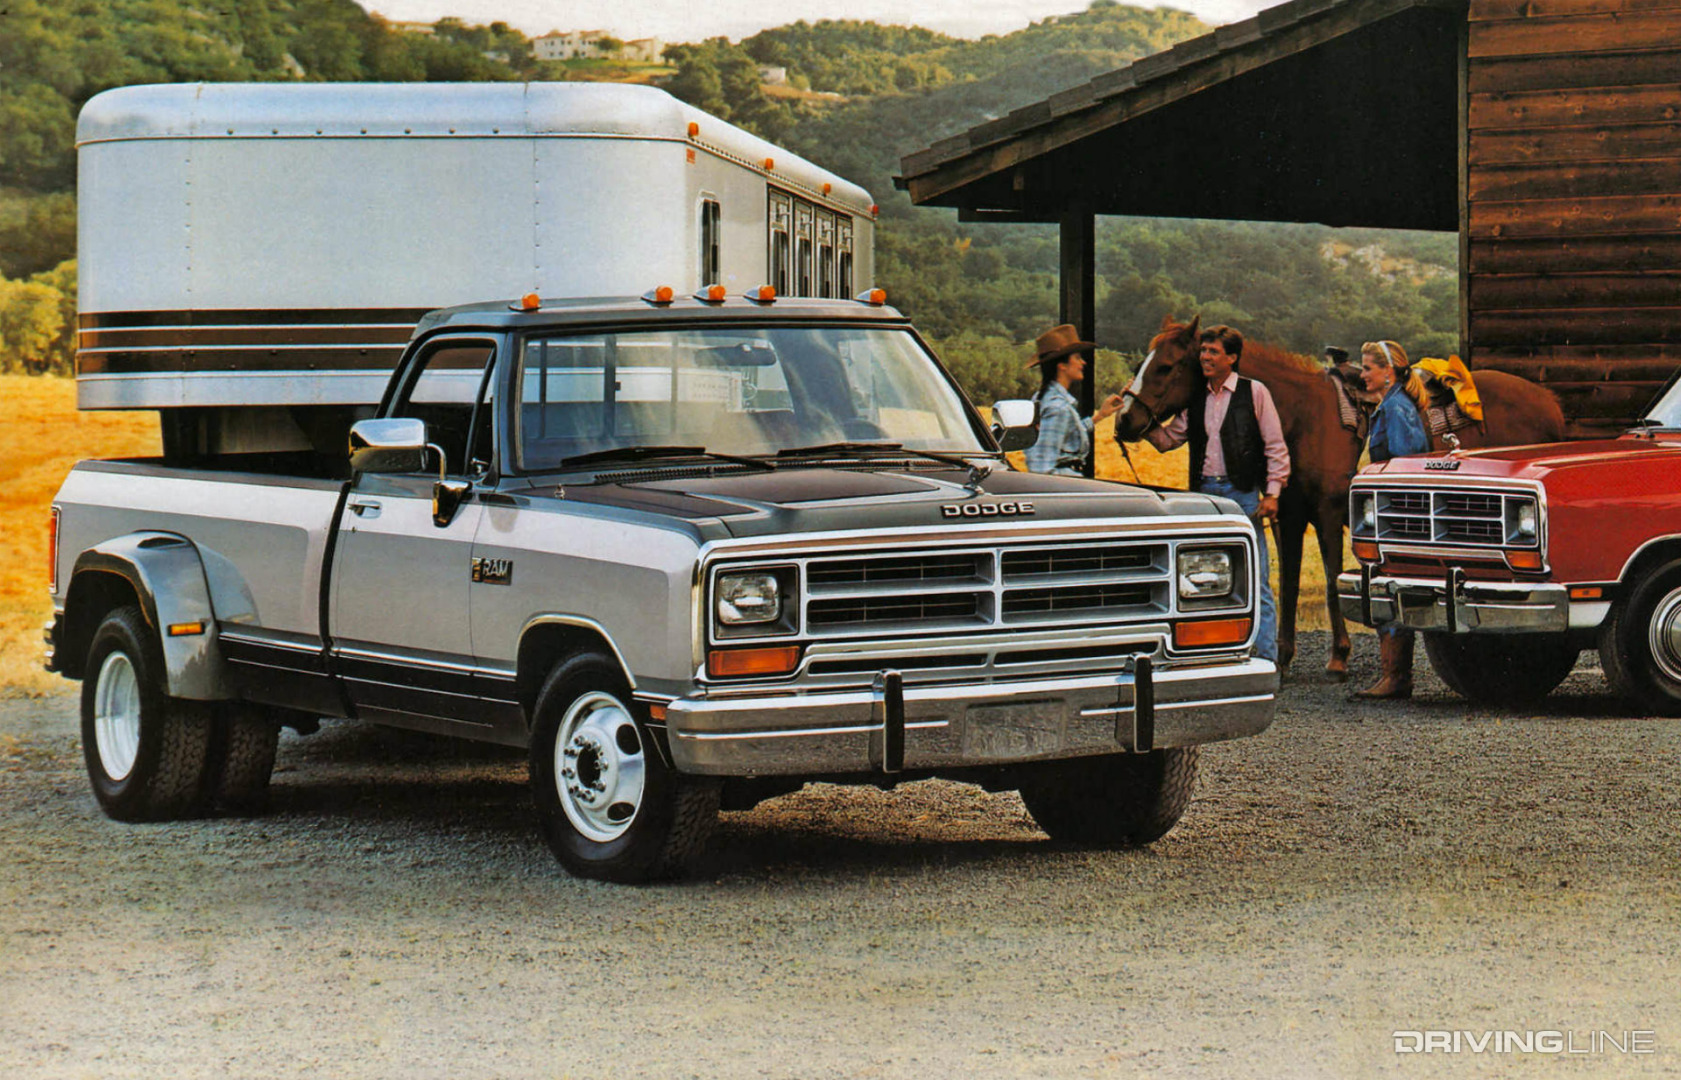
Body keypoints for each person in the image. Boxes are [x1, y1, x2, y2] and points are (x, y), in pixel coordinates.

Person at [1139, 325, 1289, 663]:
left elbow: (1275, 446)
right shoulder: (1195, 397)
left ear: (1232, 358)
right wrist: (1141, 420)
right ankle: (1214, 656)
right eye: (1203, 351)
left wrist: (1272, 493)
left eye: (1213, 352)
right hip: (1205, 495)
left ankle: (1267, 660)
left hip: (1243, 494)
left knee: (1256, 580)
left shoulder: (1255, 392)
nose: (1205, 357)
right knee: (1202, 578)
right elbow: (1169, 440)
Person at [1353, 339, 1430, 699]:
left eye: (1368, 368)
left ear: (1389, 372)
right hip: (1390, 511)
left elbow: (1405, 465)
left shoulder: (1397, 408)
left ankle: (1396, 676)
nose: (1362, 374)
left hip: (1396, 513)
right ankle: (1394, 674)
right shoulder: (1391, 404)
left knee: (1390, 583)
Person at [1022, 324, 1122, 477]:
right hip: (1063, 487)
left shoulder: (1045, 398)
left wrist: (1100, 416)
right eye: (1077, 357)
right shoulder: (1058, 407)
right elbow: (1040, 467)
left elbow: (1067, 435)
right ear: (1062, 366)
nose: (1083, 362)